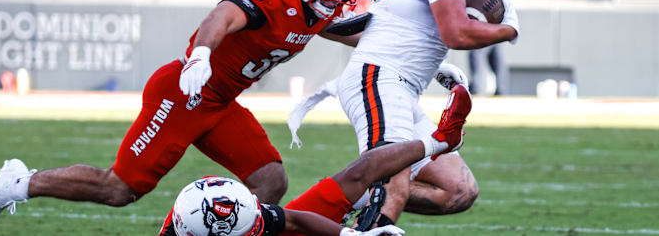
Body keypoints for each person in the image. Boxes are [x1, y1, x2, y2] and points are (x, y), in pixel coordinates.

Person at [0, 0, 366, 229]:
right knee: (119, 189)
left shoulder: (316, 5)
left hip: (220, 103)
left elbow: (349, 29)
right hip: (186, 92)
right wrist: (201, 55)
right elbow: (224, 15)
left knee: (270, 181)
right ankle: (21, 183)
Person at [328, 0, 520, 230]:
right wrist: (509, 29)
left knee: (457, 189)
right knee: (394, 188)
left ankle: (348, 193)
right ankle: (344, 201)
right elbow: (456, 33)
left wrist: (431, 64)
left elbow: (395, 25)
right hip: (382, 79)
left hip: (394, 83)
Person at [159, 83, 473, 236]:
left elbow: (292, 219)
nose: (258, 228)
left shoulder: (235, 217)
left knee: (357, 175)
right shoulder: (198, 225)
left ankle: (438, 141)